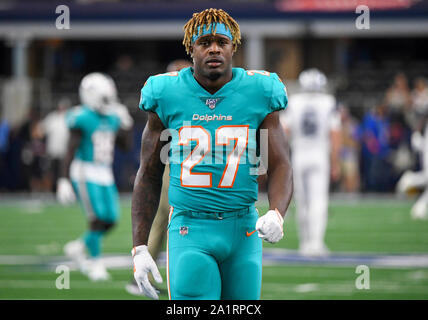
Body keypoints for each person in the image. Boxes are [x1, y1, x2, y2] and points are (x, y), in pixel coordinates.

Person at [131, 8, 293, 300]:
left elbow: (280, 163)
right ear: (191, 48)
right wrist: (139, 247)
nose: (214, 48)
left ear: (234, 47)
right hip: (190, 229)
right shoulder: (166, 92)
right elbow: (149, 173)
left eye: (222, 41)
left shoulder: (260, 91)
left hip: (243, 229)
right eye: (205, 42)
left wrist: (277, 213)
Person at [56, 72, 134, 281]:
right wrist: (63, 179)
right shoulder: (81, 117)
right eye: (105, 97)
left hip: (104, 172)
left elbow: (125, 147)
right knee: (97, 218)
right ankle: (96, 263)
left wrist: (126, 125)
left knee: (111, 220)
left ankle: (79, 247)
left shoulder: (112, 116)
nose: (109, 101)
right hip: (85, 170)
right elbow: (70, 149)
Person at [125, 59, 193, 297]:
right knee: (167, 217)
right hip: (172, 166)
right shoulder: (168, 100)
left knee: (170, 219)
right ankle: (145, 272)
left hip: (186, 168)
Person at [280, 68, 341, 257]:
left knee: (302, 201)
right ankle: (316, 243)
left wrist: (281, 160)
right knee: (318, 200)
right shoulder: (328, 102)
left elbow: (284, 131)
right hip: (319, 154)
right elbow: (335, 133)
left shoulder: (294, 102)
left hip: (299, 154)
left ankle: (305, 243)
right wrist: (336, 161)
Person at [40, 97, 71, 192]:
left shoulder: (70, 118)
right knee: (52, 173)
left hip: (66, 152)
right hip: (53, 152)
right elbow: (39, 131)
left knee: (65, 173)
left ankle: (65, 192)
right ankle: (52, 191)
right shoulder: (52, 118)